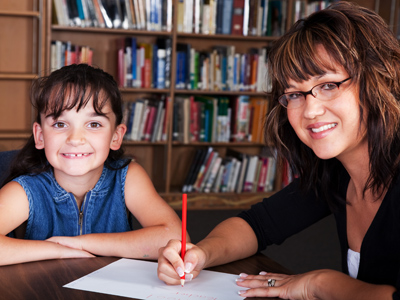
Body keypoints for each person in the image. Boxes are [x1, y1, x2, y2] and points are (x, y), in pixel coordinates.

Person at [157, 2, 400, 299]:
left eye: (328, 85)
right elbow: (256, 225)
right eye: (295, 94)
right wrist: (200, 255)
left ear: (380, 80)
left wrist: (317, 284)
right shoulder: (337, 173)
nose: (310, 110)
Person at [0, 63, 183, 266]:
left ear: (115, 136)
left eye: (94, 124)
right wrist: (57, 250)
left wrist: (80, 244)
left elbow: (176, 239)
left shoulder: (128, 177)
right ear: (40, 135)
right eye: (60, 124)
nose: (76, 139)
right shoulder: (25, 190)